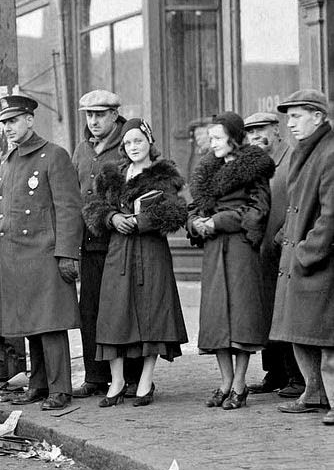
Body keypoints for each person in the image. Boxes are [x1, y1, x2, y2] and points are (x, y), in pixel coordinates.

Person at [82, 118, 188, 407]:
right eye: (127, 143)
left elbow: (176, 211)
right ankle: (116, 381)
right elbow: (94, 207)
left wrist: (141, 221)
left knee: (151, 313)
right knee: (115, 314)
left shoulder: (163, 176)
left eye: (138, 141)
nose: (132, 147)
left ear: (149, 141)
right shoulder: (113, 175)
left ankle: (145, 380)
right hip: (118, 252)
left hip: (151, 252)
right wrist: (112, 218)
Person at [0, 93, 82, 411]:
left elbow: (69, 209)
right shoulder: (8, 161)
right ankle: (39, 383)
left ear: (30, 120)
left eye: (14, 121)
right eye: (5, 123)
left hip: (45, 254)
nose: (9, 128)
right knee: (30, 324)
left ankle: (61, 389)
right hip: (15, 257)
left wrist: (68, 253)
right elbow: (0, 214)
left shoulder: (54, 156)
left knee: (50, 324)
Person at [187, 112, 274, 411]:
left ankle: (239, 384)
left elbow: (258, 210)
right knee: (216, 320)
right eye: (210, 139)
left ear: (235, 139)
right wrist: (195, 223)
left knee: (240, 318)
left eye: (218, 138)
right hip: (213, 251)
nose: (212, 144)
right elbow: (193, 207)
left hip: (239, 249)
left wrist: (218, 221)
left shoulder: (254, 169)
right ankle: (225, 382)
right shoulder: (206, 171)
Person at [70, 89, 142, 398]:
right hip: (90, 243)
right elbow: (74, 196)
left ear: (115, 115)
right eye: (90, 115)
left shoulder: (128, 144)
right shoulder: (82, 150)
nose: (94, 121)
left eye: (100, 115)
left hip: (120, 241)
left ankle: (135, 377)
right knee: (91, 311)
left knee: (125, 310)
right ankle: (95, 376)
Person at [269, 89, 334, 426]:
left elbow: (331, 216)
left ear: (318, 116)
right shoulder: (306, 151)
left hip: (319, 261)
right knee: (303, 330)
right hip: (300, 259)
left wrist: (307, 251)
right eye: (288, 116)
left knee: (326, 335)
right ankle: (314, 393)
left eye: (296, 116)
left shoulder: (329, 152)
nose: (289, 123)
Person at [243, 112, 304, 398]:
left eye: (261, 131)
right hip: (261, 253)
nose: (255, 137)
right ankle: (275, 373)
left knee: (287, 313)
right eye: (250, 133)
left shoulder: (292, 160)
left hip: (285, 251)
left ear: (277, 130)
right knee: (267, 311)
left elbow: (300, 206)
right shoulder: (257, 166)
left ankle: (297, 377)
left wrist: (283, 238)